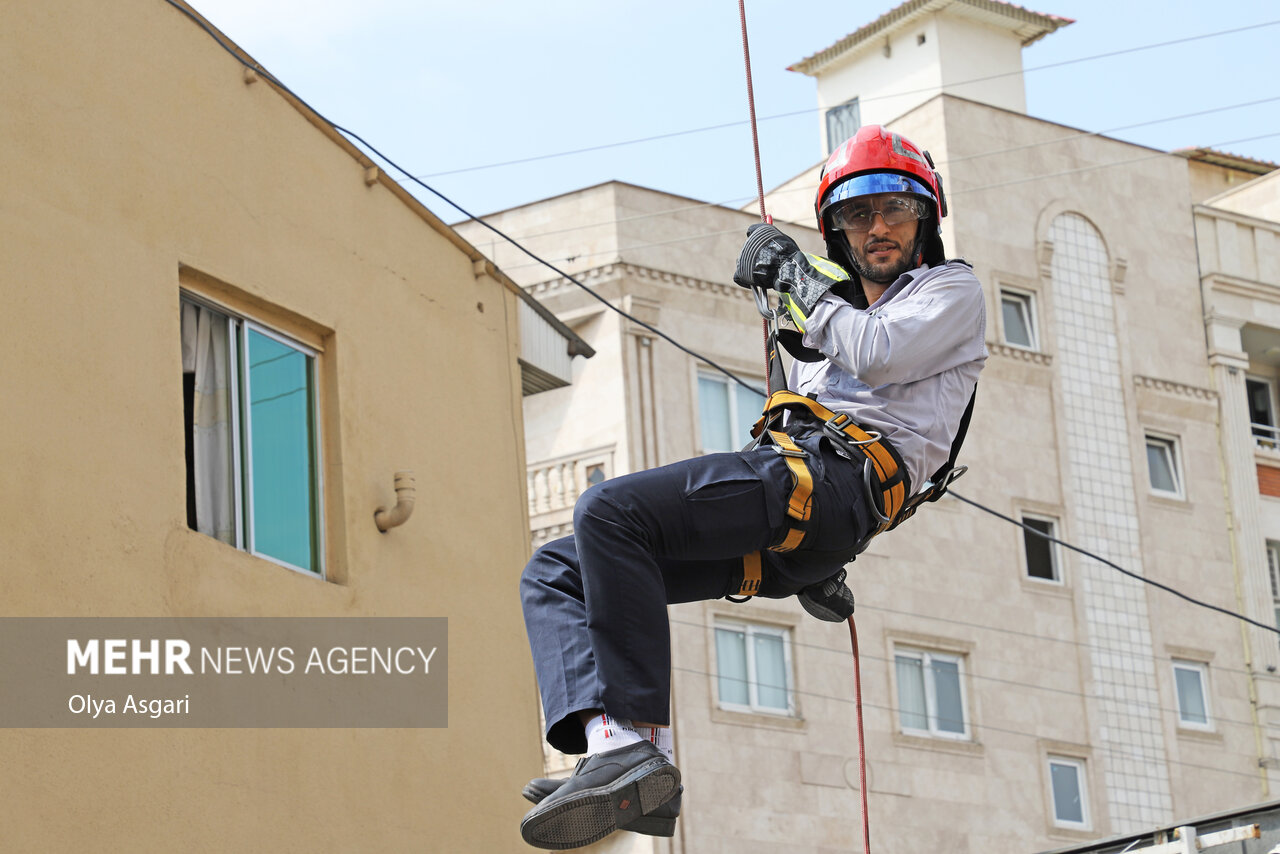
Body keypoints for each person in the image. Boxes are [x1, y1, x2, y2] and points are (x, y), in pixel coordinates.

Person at [517, 124, 987, 850]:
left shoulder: (948, 291)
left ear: (926, 217)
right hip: (802, 512)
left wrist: (798, 285)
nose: (879, 228)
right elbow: (801, 414)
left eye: (895, 209)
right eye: (859, 216)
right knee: (556, 568)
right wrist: (791, 317)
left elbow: (881, 357)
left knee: (609, 511)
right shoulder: (827, 329)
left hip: (829, 485)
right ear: (841, 233)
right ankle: (623, 748)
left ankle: (632, 748)